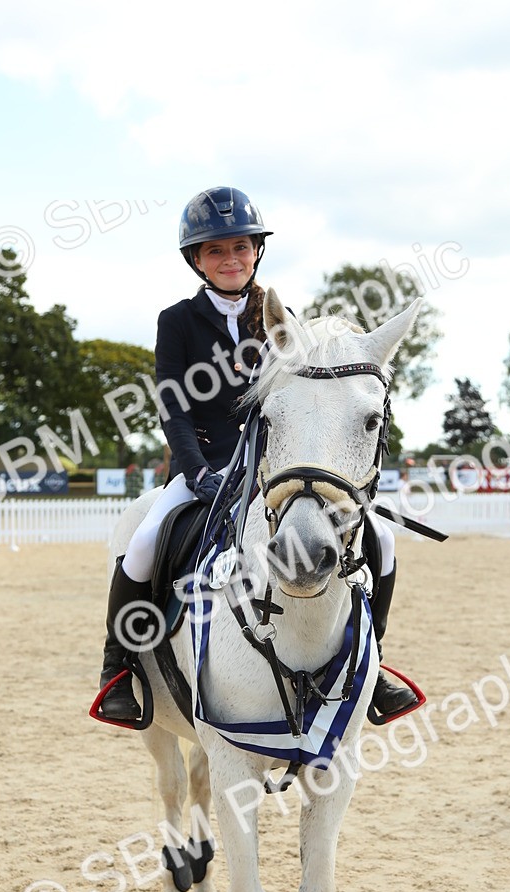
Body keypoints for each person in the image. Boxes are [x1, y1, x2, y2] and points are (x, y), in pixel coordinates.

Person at [96, 185, 415, 725]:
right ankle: (118, 668)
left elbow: (305, 399)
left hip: (270, 465)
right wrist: (195, 470)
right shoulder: (176, 321)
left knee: (379, 535)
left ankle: (374, 662)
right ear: (197, 260)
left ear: (256, 252)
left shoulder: (280, 316)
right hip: (200, 466)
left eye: (240, 248)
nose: (230, 259)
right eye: (215, 251)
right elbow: (173, 407)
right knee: (146, 539)